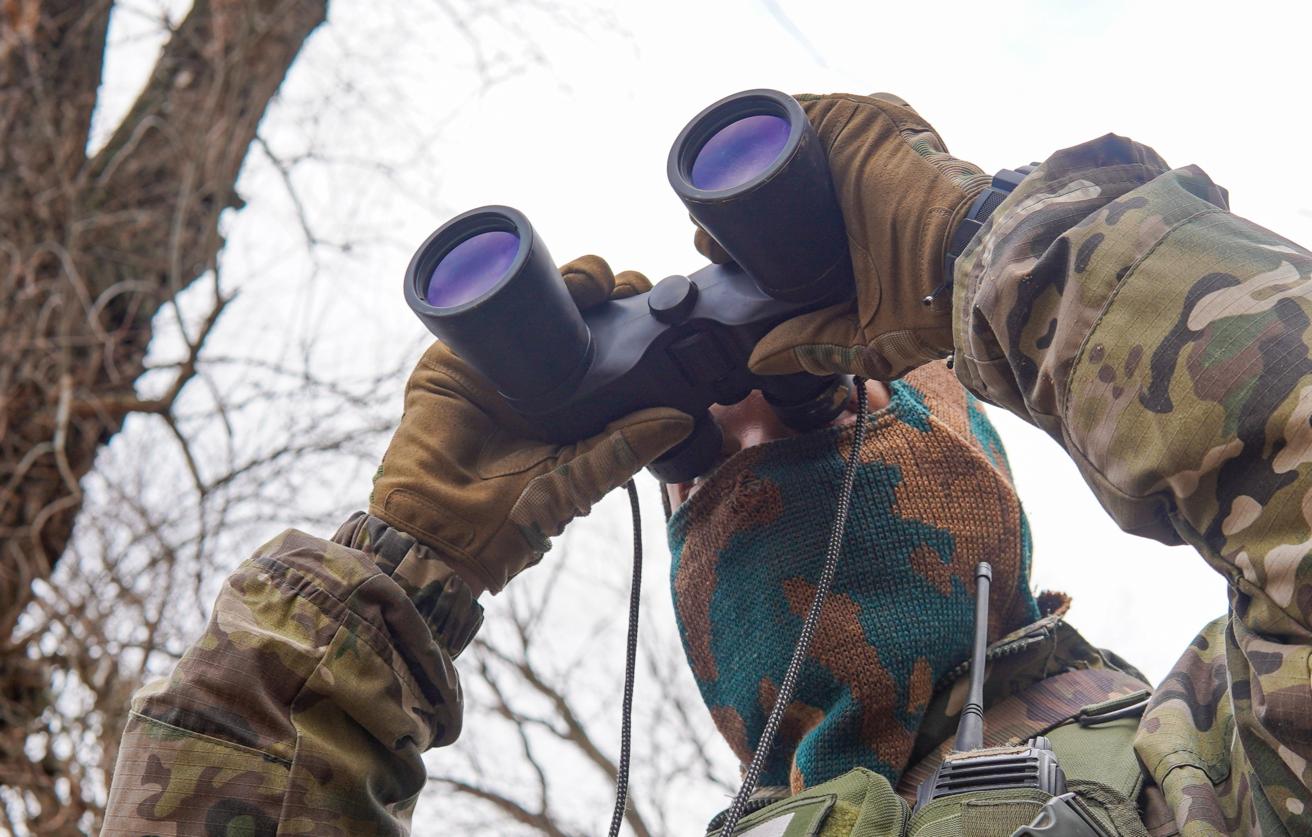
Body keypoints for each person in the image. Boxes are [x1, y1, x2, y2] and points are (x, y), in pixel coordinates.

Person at [100, 92, 1312, 835]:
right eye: (695, 464)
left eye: (823, 405)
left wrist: (995, 250)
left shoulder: (1212, 766)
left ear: (974, 455)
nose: (748, 439)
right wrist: (395, 579)